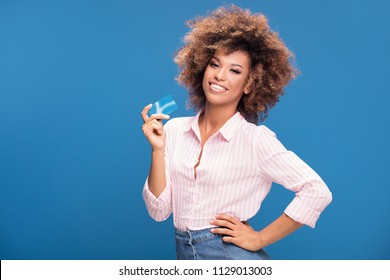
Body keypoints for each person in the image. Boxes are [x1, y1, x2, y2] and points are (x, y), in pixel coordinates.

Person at [140, 5, 332, 260]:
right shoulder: (173, 130)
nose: (219, 76)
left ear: (250, 84)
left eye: (234, 70)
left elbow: (317, 191)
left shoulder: (255, 139)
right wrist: (157, 149)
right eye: (214, 64)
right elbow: (159, 211)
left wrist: (260, 238)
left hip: (230, 257)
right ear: (202, 67)